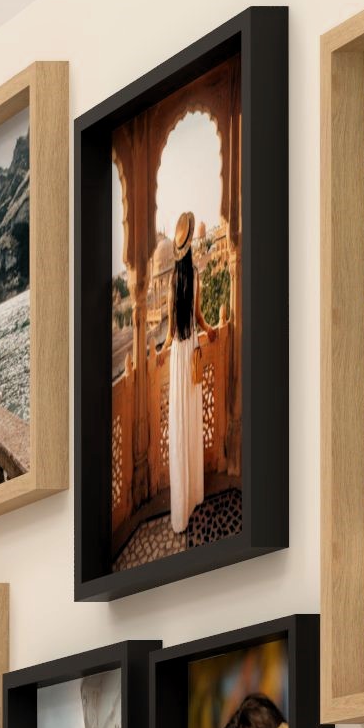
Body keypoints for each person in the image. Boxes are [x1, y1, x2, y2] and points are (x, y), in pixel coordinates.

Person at [164, 210, 204, 534]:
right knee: (191, 421)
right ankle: (195, 495)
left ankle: (181, 510)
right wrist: (211, 332)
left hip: (178, 355)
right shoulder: (196, 278)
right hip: (193, 352)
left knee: (179, 425)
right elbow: (200, 318)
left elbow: (168, 330)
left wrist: (163, 351)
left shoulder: (172, 282)